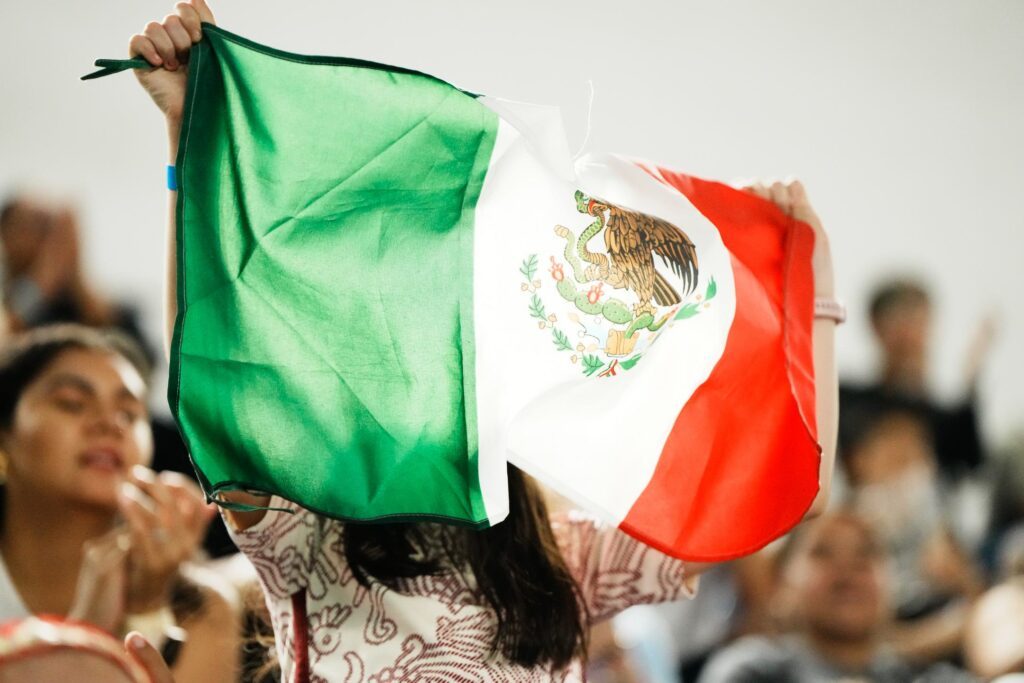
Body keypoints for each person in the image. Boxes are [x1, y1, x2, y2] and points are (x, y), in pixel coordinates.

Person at [127, 1, 840, 680]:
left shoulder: (564, 559)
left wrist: (814, 296)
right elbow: (216, 371)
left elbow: (793, 494)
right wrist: (190, 135)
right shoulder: (306, 531)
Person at [0, 324, 238, 682]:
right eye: (72, 403)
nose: (110, 424)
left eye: (129, 414)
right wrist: (89, 634)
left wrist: (147, 613)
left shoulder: (198, 606)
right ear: (5, 435)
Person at [698, 513, 975, 683]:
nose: (848, 567)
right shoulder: (751, 671)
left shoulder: (926, 677)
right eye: (822, 552)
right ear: (781, 585)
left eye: (866, 552)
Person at [839, 279, 991, 479]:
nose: (911, 337)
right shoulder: (847, 401)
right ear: (875, 327)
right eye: (899, 327)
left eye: (918, 324)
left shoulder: (947, 420)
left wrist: (971, 381)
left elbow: (972, 467)